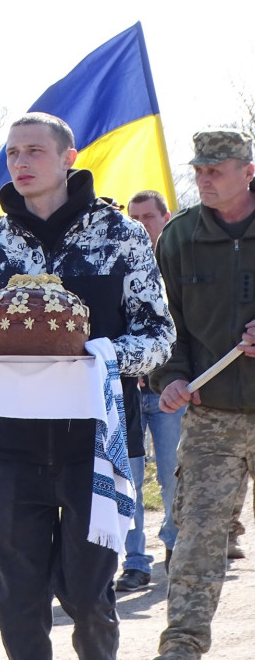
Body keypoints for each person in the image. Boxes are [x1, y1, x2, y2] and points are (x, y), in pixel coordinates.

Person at [0, 113, 174, 660]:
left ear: (68, 158)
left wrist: (98, 357)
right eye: (12, 153)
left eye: (34, 150)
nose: (20, 163)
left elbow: (158, 335)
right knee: (18, 599)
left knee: (87, 595)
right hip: (15, 447)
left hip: (98, 447)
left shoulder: (122, 237)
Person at [152, 130, 255, 660]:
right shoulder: (179, 236)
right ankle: (182, 647)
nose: (204, 179)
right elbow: (162, 321)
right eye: (199, 170)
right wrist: (169, 376)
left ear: (248, 172)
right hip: (210, 415)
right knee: (196, 539)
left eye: (217, 170)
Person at [113, 190, 182, 591]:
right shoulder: (116, 262)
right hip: (125, 392)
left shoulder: (176, 265)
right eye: (133, 216)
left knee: (174, 475)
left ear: (164, 217)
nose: (140, 224)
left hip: (167, 391)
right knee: (131, 478)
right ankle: (136, 560)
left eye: (148, 217)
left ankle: (175, 543)